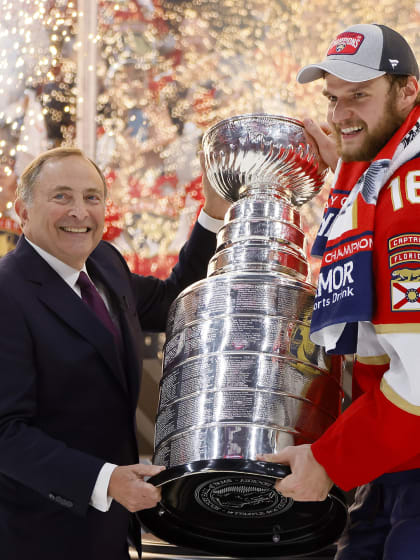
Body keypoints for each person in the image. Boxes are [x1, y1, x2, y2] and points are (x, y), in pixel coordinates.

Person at [0, 146, 229, 560]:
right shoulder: (6, 293)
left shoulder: (103, 262)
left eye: (91, 197)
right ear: (22, 211)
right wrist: (105, 481)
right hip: (37, 532)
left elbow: (175, 298)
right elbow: (5, 433)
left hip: (110, 528)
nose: (79, 212)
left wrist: (213, 210)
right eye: (61, 197)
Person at [258, 23, 420, 559]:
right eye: (332, 98)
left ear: (408, 90)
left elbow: (419, 376)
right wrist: (345, 162)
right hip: (392, 456)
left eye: (359, 95)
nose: (340, 112)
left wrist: (330, 459)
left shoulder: (407, 194)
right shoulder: (384, 166)